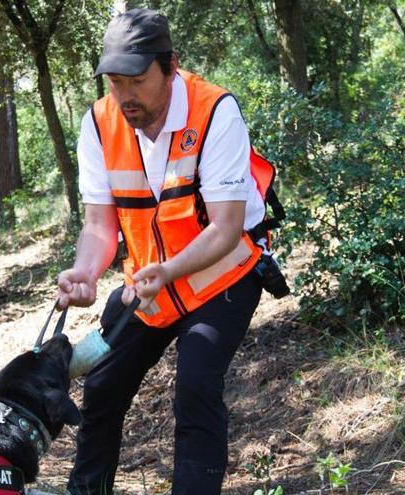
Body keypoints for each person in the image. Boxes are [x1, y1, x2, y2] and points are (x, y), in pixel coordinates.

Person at [56, 8, 279, 495]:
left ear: (170, 65)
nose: (124, 95)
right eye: (113, 81)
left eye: (135, 80)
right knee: (102, 387)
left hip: (222, 277)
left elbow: (226, 227)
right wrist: (86, 273)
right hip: (150, 286)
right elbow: (99, 225)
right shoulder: (99, 123)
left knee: (195, 389)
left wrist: (171, 270)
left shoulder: (215, 110)